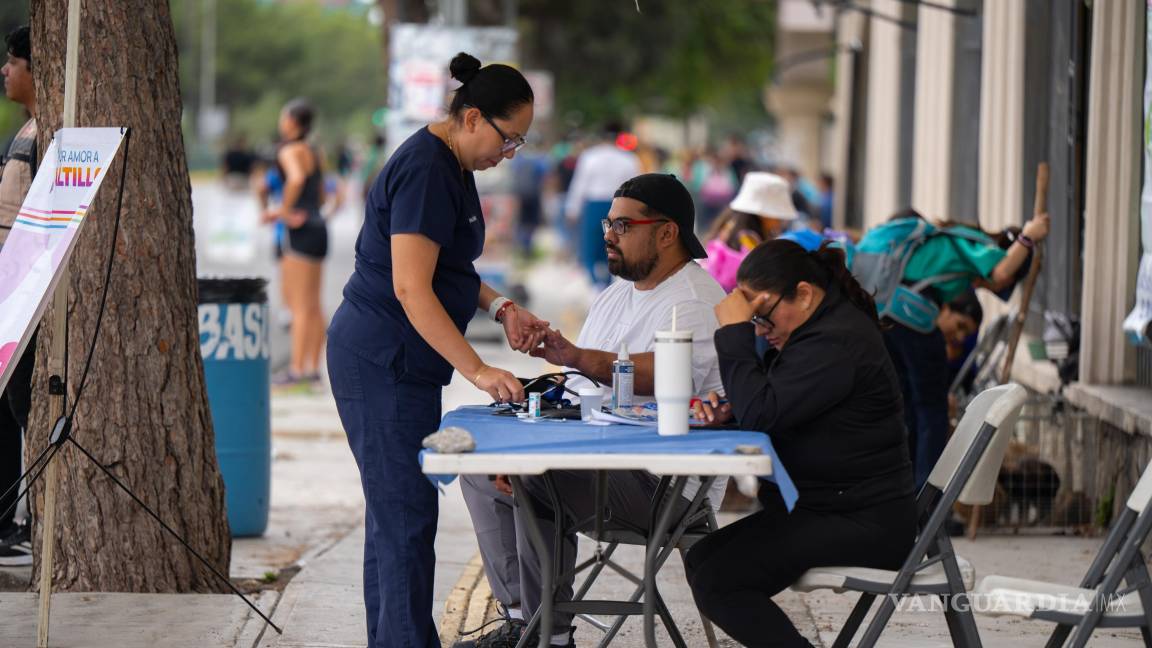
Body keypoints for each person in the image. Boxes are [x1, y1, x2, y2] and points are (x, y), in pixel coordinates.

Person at [326, 52, 547, 648]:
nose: (509, 153)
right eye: (508, 138)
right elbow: (409, 285)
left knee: (398, 514)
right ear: (472, 117)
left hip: (405, 361)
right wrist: (476, 369)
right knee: (404, 517)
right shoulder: (428, 168)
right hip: (382, 358)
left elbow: (450, 266)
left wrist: (502, 307)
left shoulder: (455, 162)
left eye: (519, 143)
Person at [455, 174, 727, 648]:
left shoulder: (695, 301)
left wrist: (577, 356)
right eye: (607, 222)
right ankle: (524, 621)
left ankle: (551, 637)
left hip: (664, 483)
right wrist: (547, 384)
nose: (607, 234)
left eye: (623, 224)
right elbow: (585, 386)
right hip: (605, 464)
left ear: (666, 232)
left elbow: (666, 374)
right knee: (479, 465)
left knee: (532, 475)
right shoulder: (617, 293)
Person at [687, 239, 916, 648]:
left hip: (865, 521)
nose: (760, 331)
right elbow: (780, 403)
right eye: (754, 322)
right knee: (703, 560)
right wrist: (731, 409)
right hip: (834, 507)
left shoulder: (835, 342)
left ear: (805, 294)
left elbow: (765, 412)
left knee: (720, 580)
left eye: (763, 317)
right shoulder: (823, 331)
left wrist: (734, 333)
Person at [879, 209, 1050, 487]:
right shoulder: (976, 245)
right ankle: (926, 500)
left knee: (908, 406)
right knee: (933, 411)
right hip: (912, 318)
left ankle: (904, 491)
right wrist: (1029, 236)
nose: (1003, 285)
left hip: (889, 319)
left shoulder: (952, 242)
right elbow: (1002, 271)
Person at [0, 25, 37, 566]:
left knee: (15, 408)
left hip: (25, 296)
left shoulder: (44, 133)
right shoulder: (26, 131)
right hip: (10, 293)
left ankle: (10, 523)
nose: (5, 70)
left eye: (11, 61)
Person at [261, 99, 328, 387]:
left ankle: (297, 369)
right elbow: (323, 194)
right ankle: (312, 367)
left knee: (298, 305)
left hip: (299, 232)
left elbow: (297, 178)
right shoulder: (314, 151)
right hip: (318, 227)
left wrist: (283, 211)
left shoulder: (289, 150)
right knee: (313, 304)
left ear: (290, 121)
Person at [564, 122, 640, 287]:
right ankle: (607, 282)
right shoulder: (628, 158)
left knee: (590, 247)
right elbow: (634, 186)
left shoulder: (590, 156)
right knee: (613, 246)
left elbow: (580, 184)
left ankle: (595, 283)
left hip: (594, 205)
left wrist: (573, 208)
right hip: (618, 206)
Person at [702, 171, 798, 292]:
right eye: (778, 216)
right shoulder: (748, 238)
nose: (781, 221)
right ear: (764, 214)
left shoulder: (731, 225)